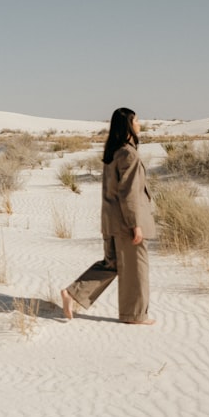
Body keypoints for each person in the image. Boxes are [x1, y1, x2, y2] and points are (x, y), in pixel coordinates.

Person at [60, 107, 155, 324]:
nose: (140, 124)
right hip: (126, 222)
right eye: (137, 120)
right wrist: (135, 224)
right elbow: (129, 192)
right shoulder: (128, 154)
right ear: (129, 125)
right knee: (135, 269)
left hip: (111, 221)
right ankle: (135, 316)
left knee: (111, 264)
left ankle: (72, 293)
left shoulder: (114, 151)